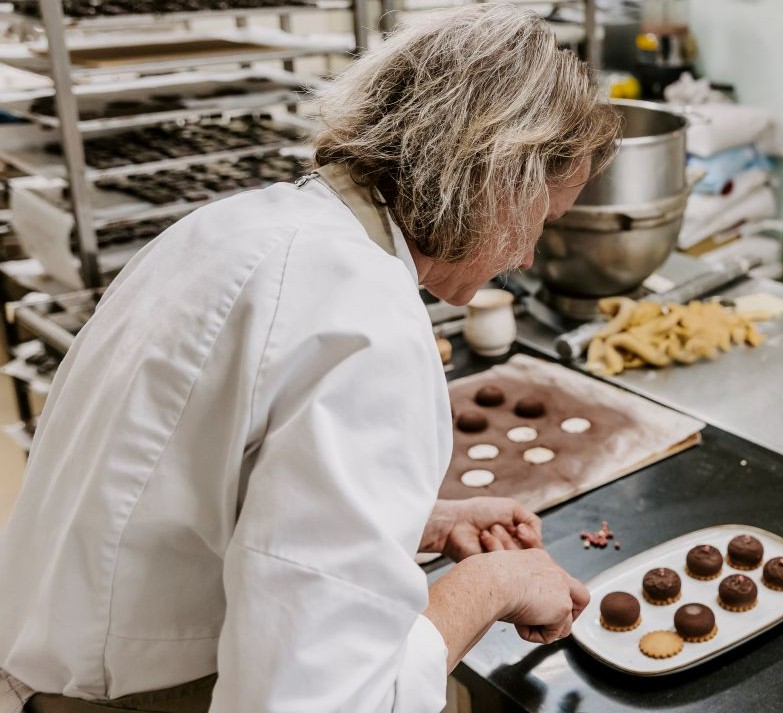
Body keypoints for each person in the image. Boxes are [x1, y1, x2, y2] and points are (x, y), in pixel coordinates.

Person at [0, 6, 620, 712]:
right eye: (540, 220)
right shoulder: (366, 323)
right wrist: (495, 585)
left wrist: (427, 521)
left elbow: (205, 493)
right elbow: (323, 700)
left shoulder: (238, 227)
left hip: (42, 668)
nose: (527, 256)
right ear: (498, 183)